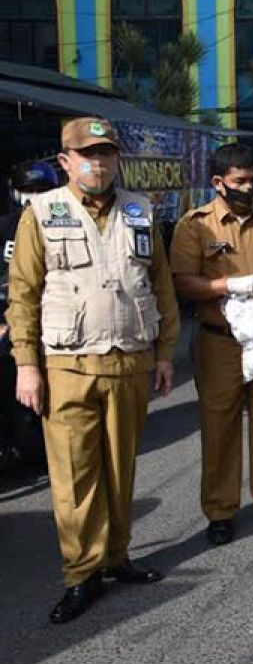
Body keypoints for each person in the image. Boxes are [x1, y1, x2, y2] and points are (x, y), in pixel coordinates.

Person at [7, 117, 180, 623]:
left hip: (129, 359)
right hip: (67, 365)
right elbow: (23, 295)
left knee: (119, 468)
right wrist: (26, 366)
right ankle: (81, 574)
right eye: (87, 154)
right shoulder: (42, 212)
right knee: (75, 476)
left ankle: (115, 557)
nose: (98, 163)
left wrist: (165, 351)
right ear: (65, 160)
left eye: (105, 153)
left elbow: (161, 286)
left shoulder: (139, 210)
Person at [170, 143, 253, 546]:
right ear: (218, 183)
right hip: (220, 342)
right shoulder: (195, 226)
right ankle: (221, 510)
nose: (249, 188)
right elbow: (181, 281)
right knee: (220, 427)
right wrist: (226, 285)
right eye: (240, 181)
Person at [0, 161, 59, 473]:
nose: (33, 198)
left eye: (41, 191)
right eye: (28, 191)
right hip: (10, 317)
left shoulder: (64, 225)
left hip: (53, 320)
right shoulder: (6, 226)